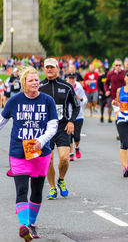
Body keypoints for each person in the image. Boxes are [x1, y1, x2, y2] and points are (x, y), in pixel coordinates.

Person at [0, 66, 58, 240]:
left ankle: (31, 224)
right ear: (23, 83)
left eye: (36, 80)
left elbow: (53, 125)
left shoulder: (47, 101)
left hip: (41, 152)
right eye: (31, 80)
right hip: (18, 152)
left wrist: (41, 140)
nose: (35, 83)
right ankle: (24, 226)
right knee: (21, 189)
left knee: (37, 190)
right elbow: (1, 121)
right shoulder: (14, 101)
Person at [39, 58, 80, 199]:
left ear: (58, 68)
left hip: (62, 126)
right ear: (44, 69)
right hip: (45, 129)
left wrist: (72, 121)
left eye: (52, 67)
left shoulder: (67, 86)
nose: (49, 70)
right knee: (48, 159)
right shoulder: (39, 87)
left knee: (64, 158)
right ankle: (52, 188)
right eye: (47, 67)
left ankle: (61, 180)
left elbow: (76, 106)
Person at [65, 73, 88, 161]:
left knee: (77, 136)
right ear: (67, 78)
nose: (71, 80)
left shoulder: (79, 88)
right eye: (70, 78)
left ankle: (77, 148)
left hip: (78, 115)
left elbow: (85, 100)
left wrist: (80, 99)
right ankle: (71, 153)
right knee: (69, 135)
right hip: (68, 116)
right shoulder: (64, 88)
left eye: (73, 78)